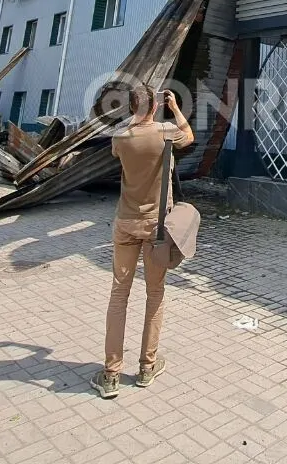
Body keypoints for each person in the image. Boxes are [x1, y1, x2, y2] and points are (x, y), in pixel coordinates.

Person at [94, 83, 194, 399]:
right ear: (155, 106)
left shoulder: (120, 137)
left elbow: (120, 148)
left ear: (130, 106)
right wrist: (175, 108)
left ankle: (111, 374)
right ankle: (146, 367)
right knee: (155, 293)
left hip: (125, 222)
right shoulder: (165, 132)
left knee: (119, 294)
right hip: (156, 226)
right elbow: (189, 136)